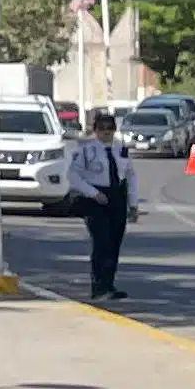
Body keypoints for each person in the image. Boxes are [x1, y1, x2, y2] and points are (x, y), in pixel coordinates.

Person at [68, 108, 138, 302]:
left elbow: (131, 177)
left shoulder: (120, 149)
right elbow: (73, 176)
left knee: (114, 244)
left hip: (117, 197)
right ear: (95, 129)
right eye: (102, 128)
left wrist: (133, 205)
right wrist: (93, 193)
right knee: (101, 242)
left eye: (110, 128)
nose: (106, 132)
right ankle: (98, 286)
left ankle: (109, 285)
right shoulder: (86, 150)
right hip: (95, 199)